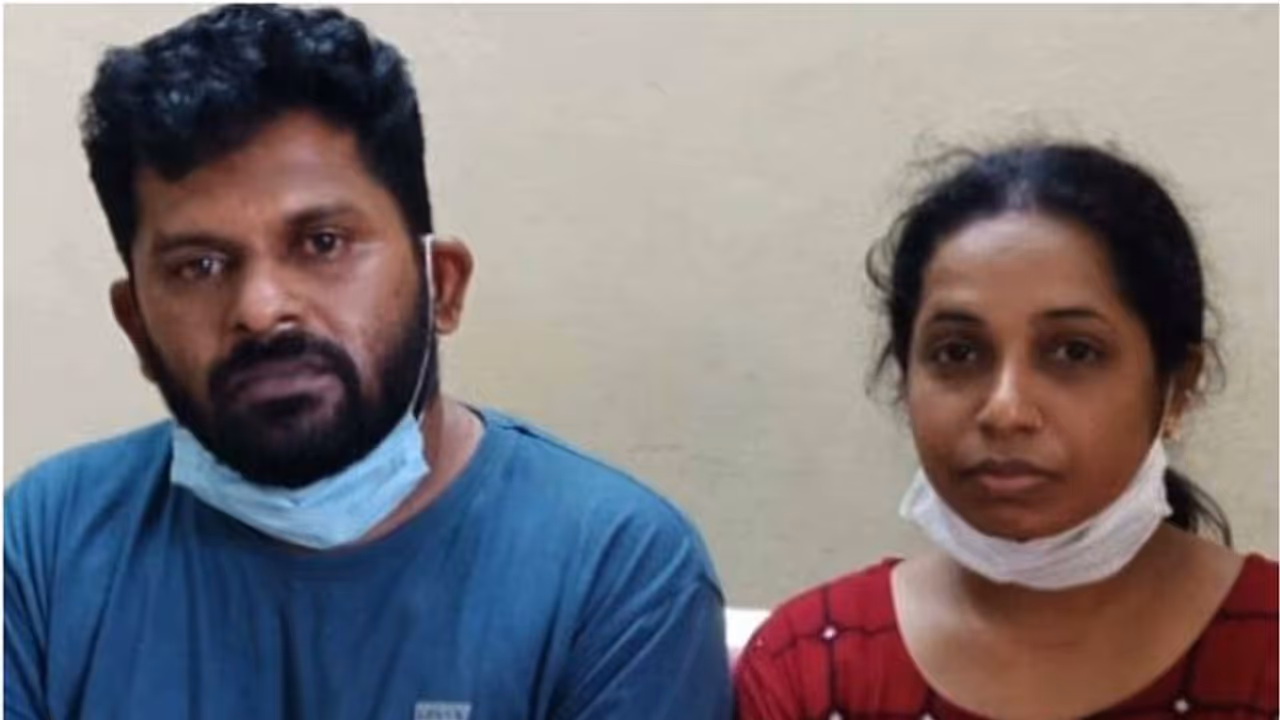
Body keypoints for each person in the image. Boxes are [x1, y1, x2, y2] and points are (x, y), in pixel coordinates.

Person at [4, 6, 731, 719]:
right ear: (136, 325)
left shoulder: (612, 568)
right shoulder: (47, 544)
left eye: (323, 243)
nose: (261, 309)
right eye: (200, 265)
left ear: (442, 285)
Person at [734, 143, 1277, 718]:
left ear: (1178, 387)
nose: (1005, 411)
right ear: (904, 376)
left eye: (1074, 351)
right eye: (958, 352)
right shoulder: (811, 666)